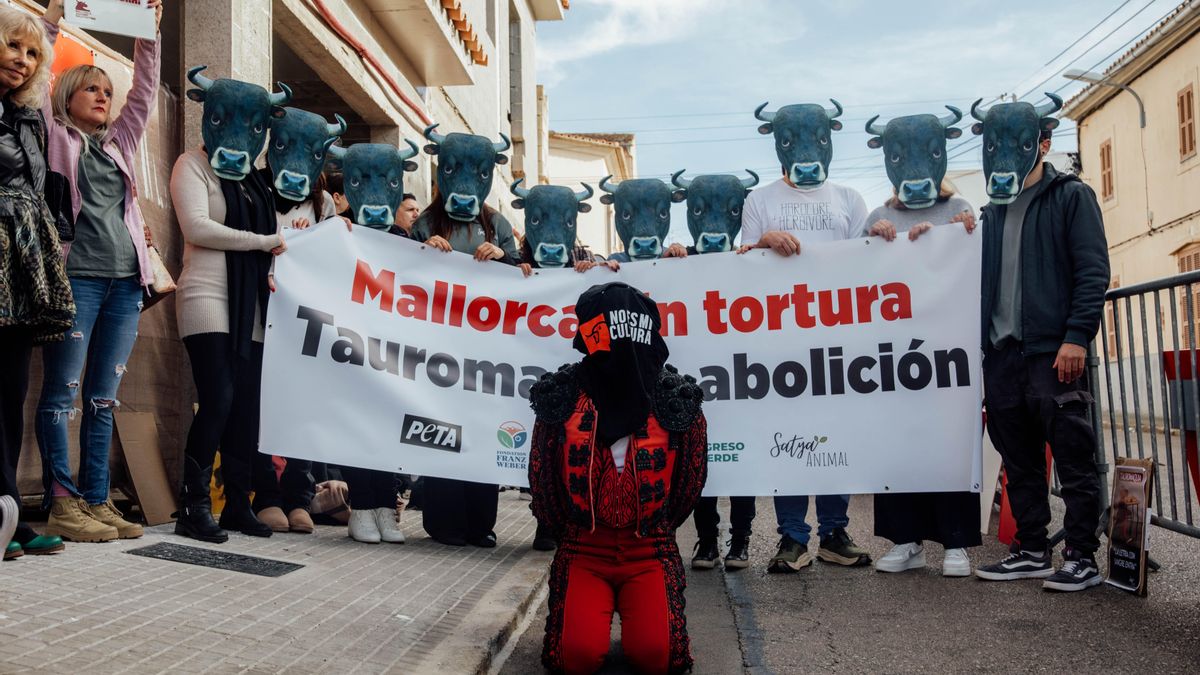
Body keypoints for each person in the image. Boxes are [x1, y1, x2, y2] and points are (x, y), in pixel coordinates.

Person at [528, 282, 707, 674]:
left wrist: (656, 529)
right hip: (584, 548)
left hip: (649, 550)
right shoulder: (563, 395)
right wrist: (572, 534)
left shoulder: (674, 398)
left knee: (656, 656)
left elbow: (687, 487)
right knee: (573, 658)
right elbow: (544, 487)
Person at [34, 0, 162, 544]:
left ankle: (96, 498)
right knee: (62, 392)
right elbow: (38, 75)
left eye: (107, 91)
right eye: (92, 89)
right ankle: (62, 504)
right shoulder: (56, 136)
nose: (104, 98)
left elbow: (145, 93)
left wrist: (151, 35)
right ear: (68, 96)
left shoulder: (120, 144)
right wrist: (51, 18)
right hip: (77, 280)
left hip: (126, 285)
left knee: (103, 399)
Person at [971, 99, 1109, 592]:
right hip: (1002, 355)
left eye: (1018, 142)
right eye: (994, 144)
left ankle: (1082, 558)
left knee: (1073, 456)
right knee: (1018, 460)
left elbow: (1093, 272)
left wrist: (1076, 337)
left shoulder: (1072, 196)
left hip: (1054, 353)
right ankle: (1031, 549)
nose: (1004, 154)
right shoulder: (988, 214)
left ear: (1042, 143)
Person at [738, 109, 872, 573]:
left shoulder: (851, 199)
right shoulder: (758, 200)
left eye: (816, 140)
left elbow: (868, 264)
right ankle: (792, 537)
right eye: (792, 141)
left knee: (835, 435)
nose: (807, 153)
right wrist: (762, 242)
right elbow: (740, 265)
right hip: (781, 343)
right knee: (788, 439)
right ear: (778, 144)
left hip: (836, 340)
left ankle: (835, 532)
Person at [169, 67, 292, 543]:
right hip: (206, 297)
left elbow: (283, 242)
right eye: (228, 120)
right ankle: (192, 506)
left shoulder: (257, 184)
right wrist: (263, 242)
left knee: (245, 408)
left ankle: (238, 504)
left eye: (252, 124)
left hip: (253, 307)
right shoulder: (191, 165)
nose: (241, 134)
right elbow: (196, 228)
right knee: (217, 398)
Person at [865, 180, 980, 576]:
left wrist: (953, 237)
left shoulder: (961, 205)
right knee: (899, 444)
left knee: (949, 441)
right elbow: (854, 273)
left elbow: (973, 263)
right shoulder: (879, 215)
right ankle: (906, 540)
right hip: (893, 346)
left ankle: (957, 543)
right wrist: (873, 240)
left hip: (947, 344)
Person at [411, 188, 524, 547]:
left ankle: (480, 524)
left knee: (480, 432)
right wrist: (422, 250)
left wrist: (503, 254)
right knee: (442, 433)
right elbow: (400, 267)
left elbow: (524, 273)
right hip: (438, 347)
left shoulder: (497, 224)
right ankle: (444, 523)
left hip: (484, 349)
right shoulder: (427, 222)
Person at [0, 4, 71, 561]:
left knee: (9, 392)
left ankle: (8, 513)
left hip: (22, 265)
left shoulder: (26, 116)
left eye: (31, 53)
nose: (21, 60)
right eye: (11, 45)